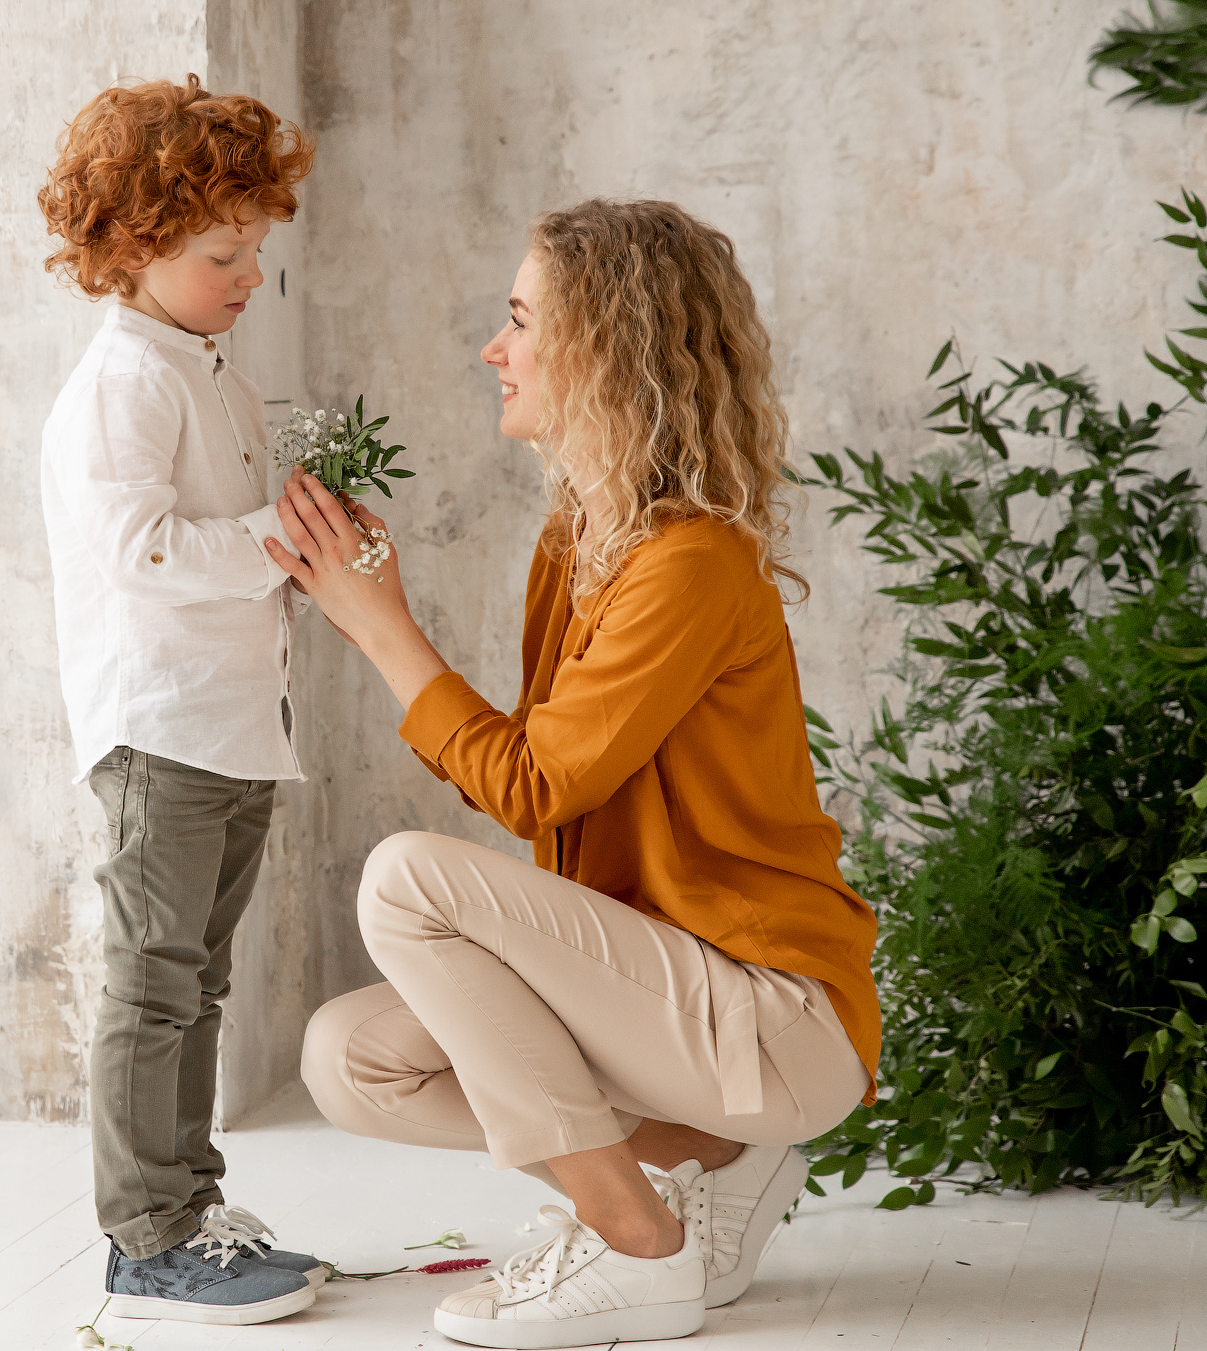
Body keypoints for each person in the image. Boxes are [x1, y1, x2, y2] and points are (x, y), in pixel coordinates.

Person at [269, 198, 881, 1349]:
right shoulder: (578, 542)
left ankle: (634, 1246)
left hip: (772, 1015)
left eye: (518, 321)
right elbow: (540, 781)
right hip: (670, 1005)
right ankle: (711, 1168)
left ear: (607, 349)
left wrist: (381, 627)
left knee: (407, 881)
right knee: (350, 1061)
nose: (492, 351)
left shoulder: (689, 563)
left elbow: (539, 788)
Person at [36, 75, 324, 1327]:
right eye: (223, 252)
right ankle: (144, 1240)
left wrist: (299, 555)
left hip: (226, 718)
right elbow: (142, 554)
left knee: (195, 981)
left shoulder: (209, 372)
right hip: (161, 728)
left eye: (255, 248)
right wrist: (274, 539)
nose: (249, 273)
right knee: (152, 979)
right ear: (134, 247)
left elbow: (223, 547)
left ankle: (190, 1213)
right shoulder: (127, 384)